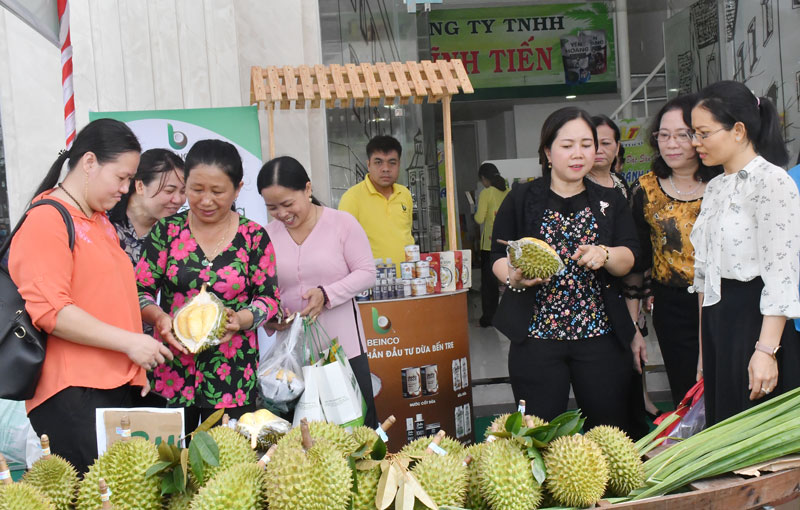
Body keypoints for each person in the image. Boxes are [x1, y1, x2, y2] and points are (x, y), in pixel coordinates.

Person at [9, 119, 173, 474]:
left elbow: (112, 300)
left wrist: (139, 356)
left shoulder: (98, 222)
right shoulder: (47, 219)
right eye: (121, 177)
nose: (126, 188)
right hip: (73, 391)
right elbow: (53, 312)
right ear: (88, 163)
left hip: (114, 387)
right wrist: (130, 343)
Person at [491, 107, 640, 433]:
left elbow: (629, 256)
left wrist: (604, 254)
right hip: (536, 340)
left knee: (609, 432)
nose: (579, 154)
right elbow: (498, 256)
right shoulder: (521, 198)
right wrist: (513, 276)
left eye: (587, 145)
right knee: (535, 434)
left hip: (600, 340)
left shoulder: (610, 200)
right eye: (567, 145)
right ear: (547, 151)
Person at [136, 139, 282, 431]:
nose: (205, 200)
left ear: (238, 189)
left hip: (233, 376)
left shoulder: (254, 237)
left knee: (230, 467)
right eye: (196, 189)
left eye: (217, 191)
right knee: (173, 465)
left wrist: (240, 320)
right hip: (171, 373)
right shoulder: (166, 232)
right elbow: (140, 291)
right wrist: (159, 318)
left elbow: (269, 299)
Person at [690, 80, 800, 425]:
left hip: (757, 321)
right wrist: (703, 352)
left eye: (703, 133)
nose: (696, 143)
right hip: (718, 322)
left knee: (755, 441)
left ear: (738, 131)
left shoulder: (773, 182)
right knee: (723, 428)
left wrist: (766, 351)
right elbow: (705, 276)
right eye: (694, 133)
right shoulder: (716, 187)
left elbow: (781, 273)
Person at [258, 156, 378, 427]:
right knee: (298, 435)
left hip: (343, 349)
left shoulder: (342, 224)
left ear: (308, 190)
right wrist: (270, 316)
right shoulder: (266, 236)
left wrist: (327, 294)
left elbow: (366, 273)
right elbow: (264, 289)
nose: (282, 214)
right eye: (272, 207)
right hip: (291, 357)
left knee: (356, 429)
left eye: (288, 204)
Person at [629, 94, 722, 407]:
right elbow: (638, 258)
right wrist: (635, 322)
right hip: (672, 306)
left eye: (682, 135)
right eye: (663, 135)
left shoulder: (724, 184)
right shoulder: (646, 189)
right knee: (686, 386)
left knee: (726, 384)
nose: (671, 144)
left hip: (724, 300)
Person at [338, 135, 413, 271]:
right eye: (378, 162)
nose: (385, 168)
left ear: (399, 165)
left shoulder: (405, 194)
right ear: (368, 165)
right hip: (371, 285)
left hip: (407, 281)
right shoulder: (352, 198)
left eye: (392, 162)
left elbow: (406, 235)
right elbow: (342, 246)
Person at [109, 148, 186, 265]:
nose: (178, 200)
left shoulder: (180, 233)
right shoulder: (104, 219)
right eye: (169, 191)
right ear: (140, 186)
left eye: (183, 192)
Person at [474, 163, 509, 327]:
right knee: (510, 280)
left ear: (483, 179)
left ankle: (489, 317)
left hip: (489, 244)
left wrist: (475, 209)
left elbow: (479, 219)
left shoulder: (486, 193)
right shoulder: (508, 191)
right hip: (508, 243)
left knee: (489, 284)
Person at [588, 115, 631, 199]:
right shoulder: (575, 185)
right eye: (592, 144)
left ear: (617, 148)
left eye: (605, 143)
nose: (598, 150)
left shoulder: (620, 182)